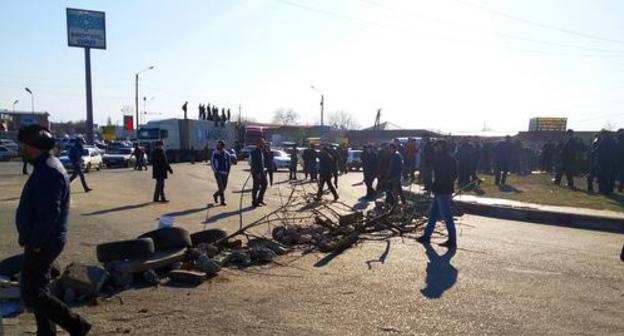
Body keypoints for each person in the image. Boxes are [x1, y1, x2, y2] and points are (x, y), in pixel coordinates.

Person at [16, 124, 92, 335]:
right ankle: (46, 331)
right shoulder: (46, 166)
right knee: (39, 288)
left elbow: (50, 212)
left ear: (32, 146)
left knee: (31, 293)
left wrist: (36, 242)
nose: (21, 149)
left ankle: (77, 325)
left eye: (23, 145)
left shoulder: (48, 170)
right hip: (45, 239)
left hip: (44, 241)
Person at [417, 140, 458, 248]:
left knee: (447, 216)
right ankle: (426, 236)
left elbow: (444, 176)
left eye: (437, 147)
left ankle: (452, 241)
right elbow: (454, 175)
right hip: (441, 190)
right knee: (433, 215)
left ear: (442, 147)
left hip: (442, 191)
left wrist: (439, 186)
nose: (435, 149)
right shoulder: (448, 158)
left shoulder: (444, 159)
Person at [596, 130, 617, 195]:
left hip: (603, 161)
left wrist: (591, 153)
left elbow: (599, 149)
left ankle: (602, 190)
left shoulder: (604, 141)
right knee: (607, 176)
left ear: (604, 134)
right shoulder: (613, 141)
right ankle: (607, 190)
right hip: (610, 161)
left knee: (601, 176)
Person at [211, 140, 231, 205]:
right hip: (218, 173)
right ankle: (222, 201)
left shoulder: (226, 154)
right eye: (217, 145)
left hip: (225, 173)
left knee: (224, 188)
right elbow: (212, 162)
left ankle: (215, 195)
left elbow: (229, 163)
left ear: (223, 146)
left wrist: (228, 172)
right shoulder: (215, 153)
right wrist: (215, 171)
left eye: (219, 145)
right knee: (221, 188)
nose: (218, 146)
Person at [250, 138, 268, 207]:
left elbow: (263, 161)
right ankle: (254, 202)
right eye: (262, 143)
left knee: (265, 184)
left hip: (262, 171)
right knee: (256, 187)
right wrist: (257, 173)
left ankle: (260, 199)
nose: (264, 144)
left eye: (264, 143)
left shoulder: (262, 151)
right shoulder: (254, 152)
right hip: (256, 172)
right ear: (258, 144)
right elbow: (254, 163)